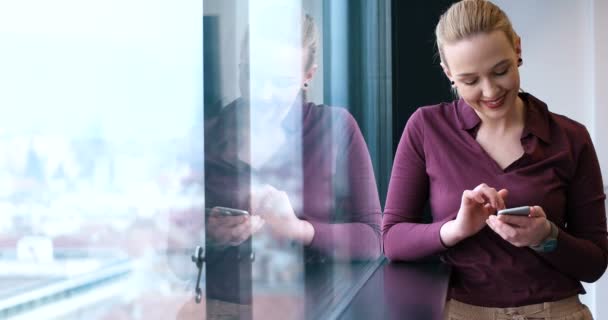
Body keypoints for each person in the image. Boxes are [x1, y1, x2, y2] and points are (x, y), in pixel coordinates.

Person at [382, 0, 607, 319]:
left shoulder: (571, 137)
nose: (490, 91)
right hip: (461, 312)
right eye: (470, 81)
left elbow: (596, 262)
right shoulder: (426, 128)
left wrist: (546, 237)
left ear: (517, 49)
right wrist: (456, 229)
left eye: (500, 71)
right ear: (449, 74)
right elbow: (392, 240)